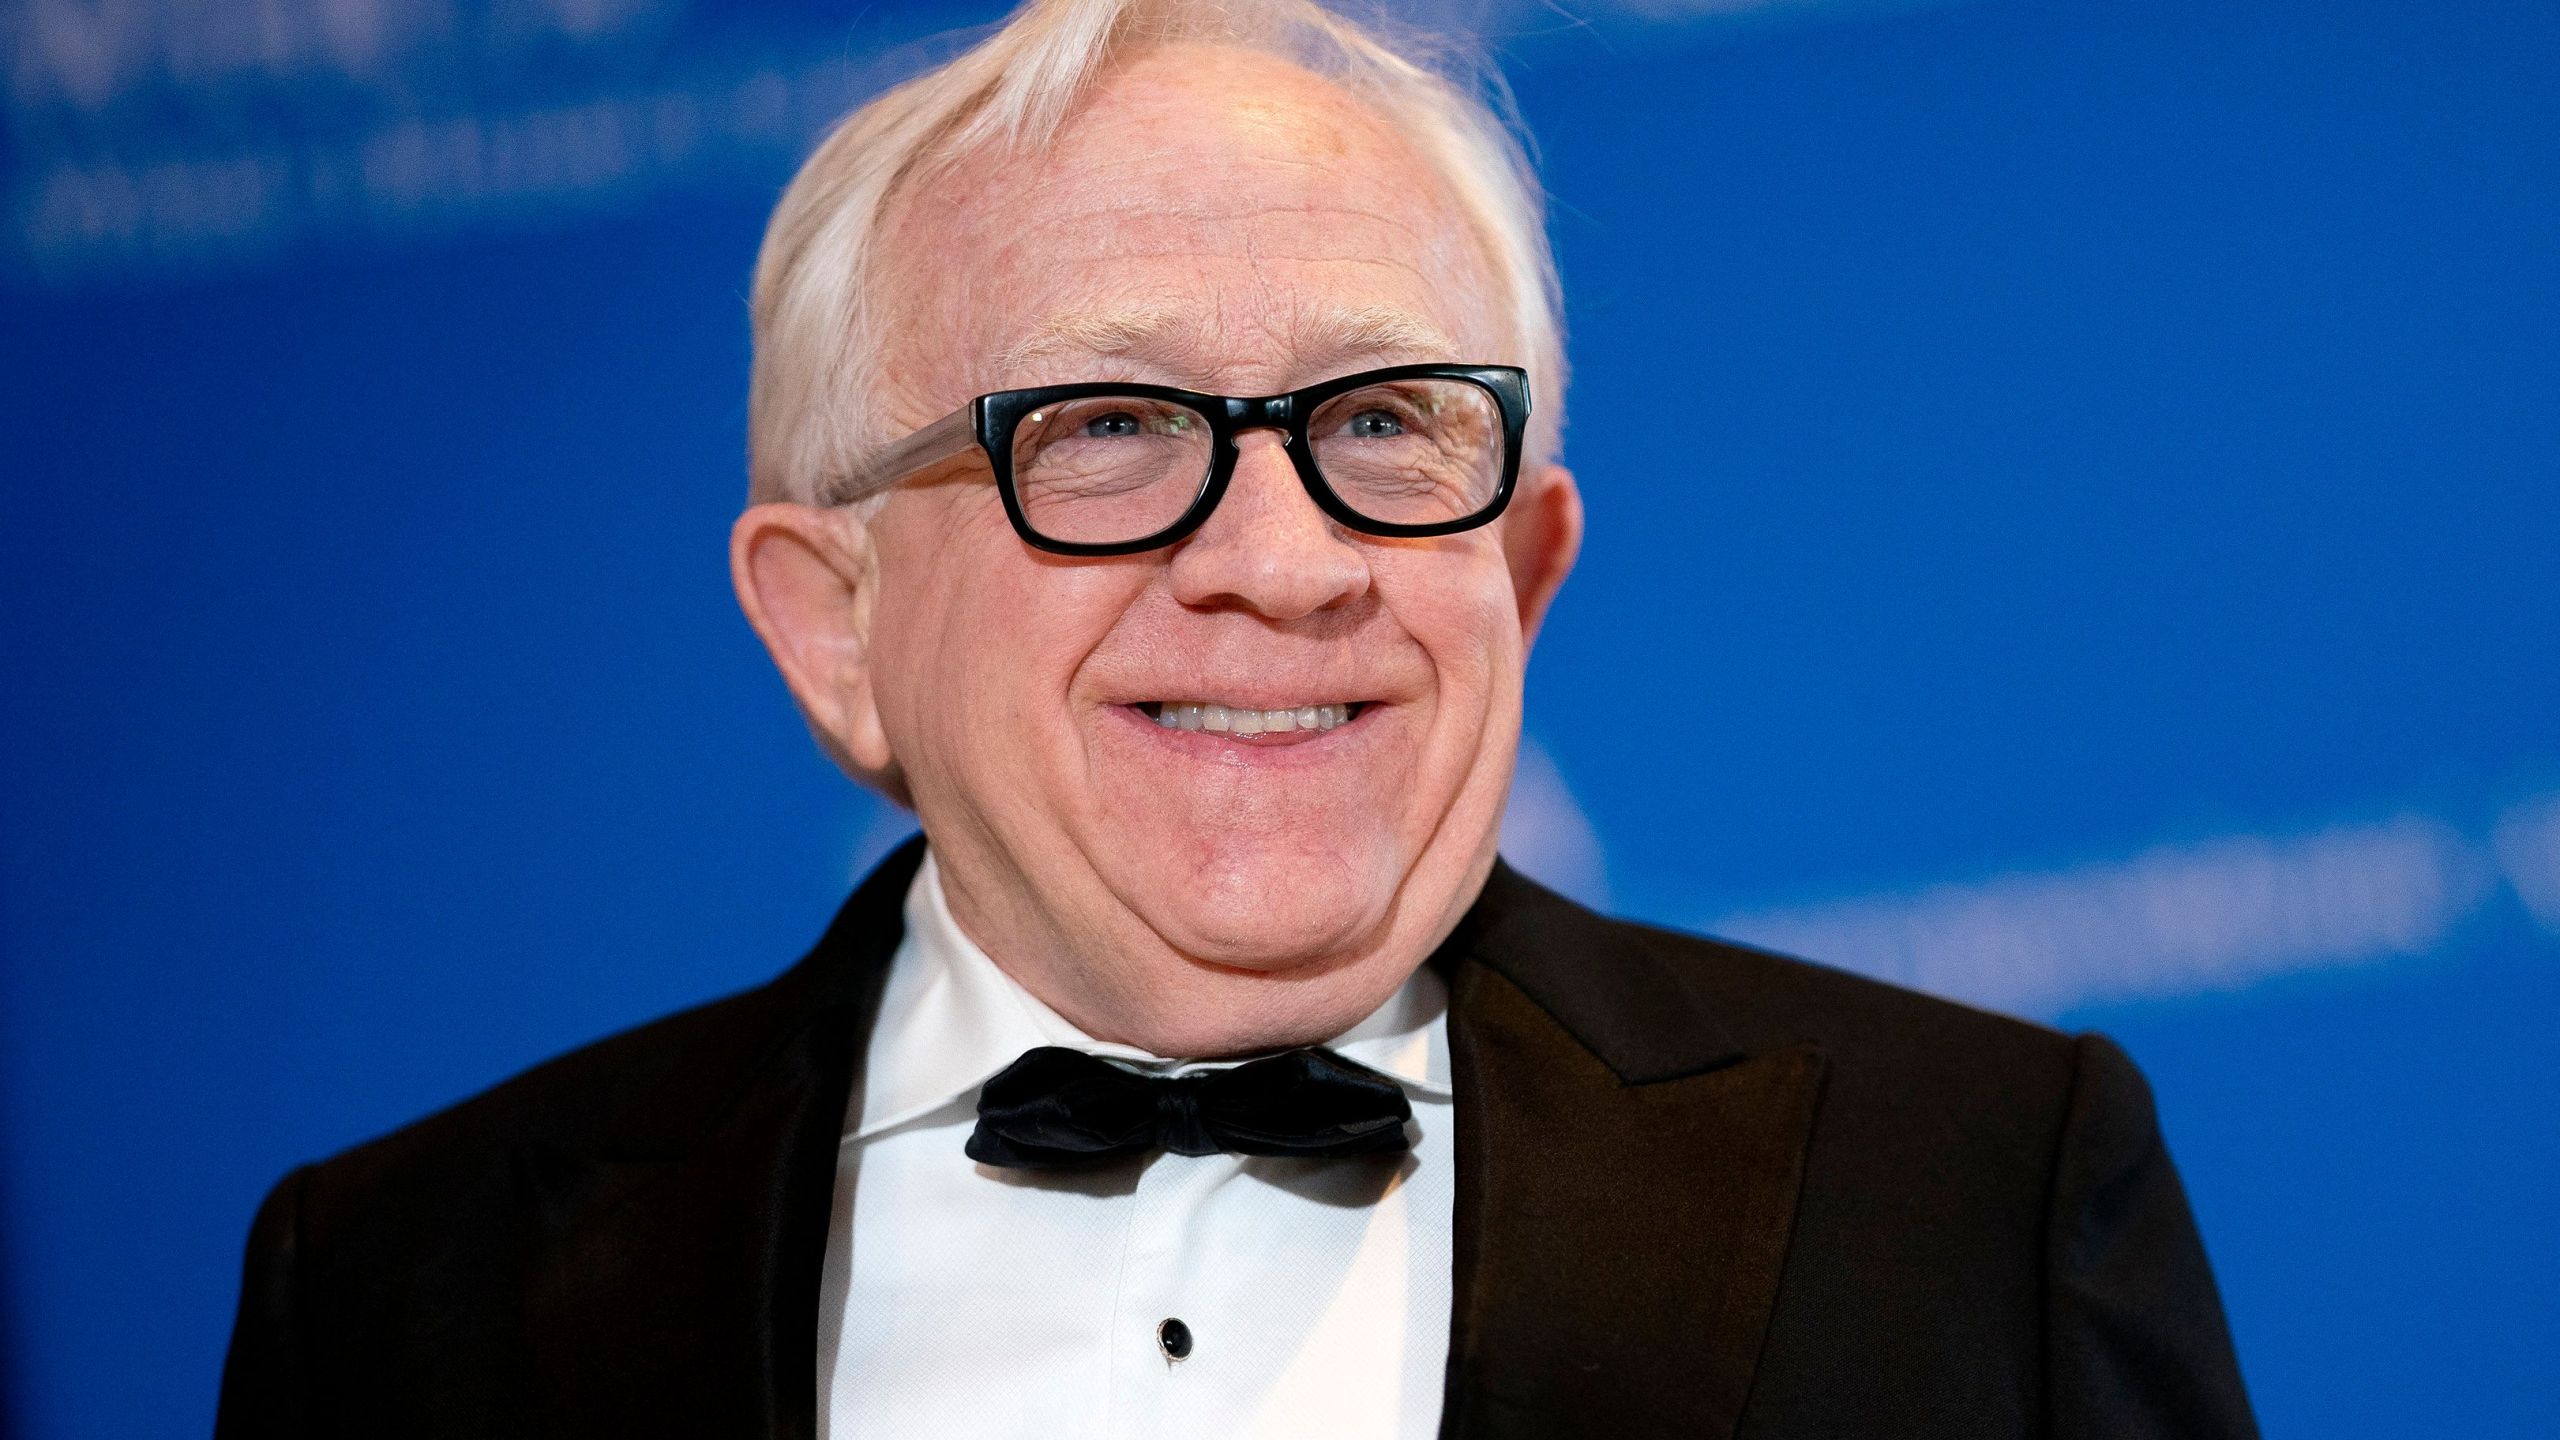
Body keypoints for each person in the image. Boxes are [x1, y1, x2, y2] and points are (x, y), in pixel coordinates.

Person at [215, 1, 2257, 1435]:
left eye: (1380, 422)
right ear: (829, 623)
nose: (1281, 561)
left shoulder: (1970, 1203)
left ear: (1522, 570)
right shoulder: (405, 1300)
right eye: (1104, 431)